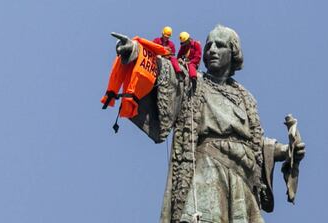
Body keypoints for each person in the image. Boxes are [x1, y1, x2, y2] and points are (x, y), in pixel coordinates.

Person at [110, 25, 306, 223]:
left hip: (242, 182)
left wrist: (286, 151)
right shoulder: (194, 83)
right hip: (208, 169)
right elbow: (164, 69)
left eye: (219, 45)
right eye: (209, 46)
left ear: (233, 52)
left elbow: (254, 144)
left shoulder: (246, 98)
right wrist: (135, 52)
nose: (212, 50)